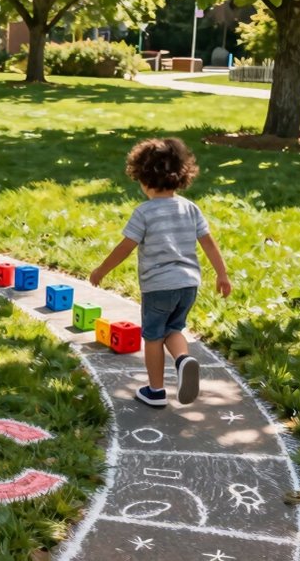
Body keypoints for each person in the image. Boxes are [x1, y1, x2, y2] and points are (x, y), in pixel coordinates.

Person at [90, 137, 231, 408]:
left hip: (159, 287)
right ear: (181, 176)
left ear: (143, 178)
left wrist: (101, 270)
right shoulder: (190, 208)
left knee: (153, 336)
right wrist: (222, 275)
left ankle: (155, 391)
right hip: (189, 285)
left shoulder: (144, 212)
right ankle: (183, 359)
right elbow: (209, 244)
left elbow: (126, 247)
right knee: (174, 328)